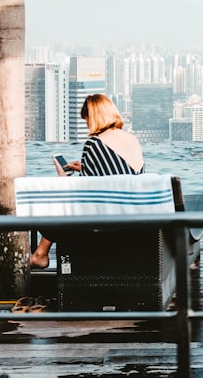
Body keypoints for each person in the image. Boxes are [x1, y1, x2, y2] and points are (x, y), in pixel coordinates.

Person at [29, 93, 144, 268]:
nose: (87, 125)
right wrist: (84, 167)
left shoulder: (94, 144)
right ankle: (40, 253)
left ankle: (40, 254)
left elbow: (82, 193)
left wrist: (62, 177)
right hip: (134, 216)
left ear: (94, 117)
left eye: (86, 120)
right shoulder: (132, 139)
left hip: (105, 222)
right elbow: (122, 174)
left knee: (55, 201)